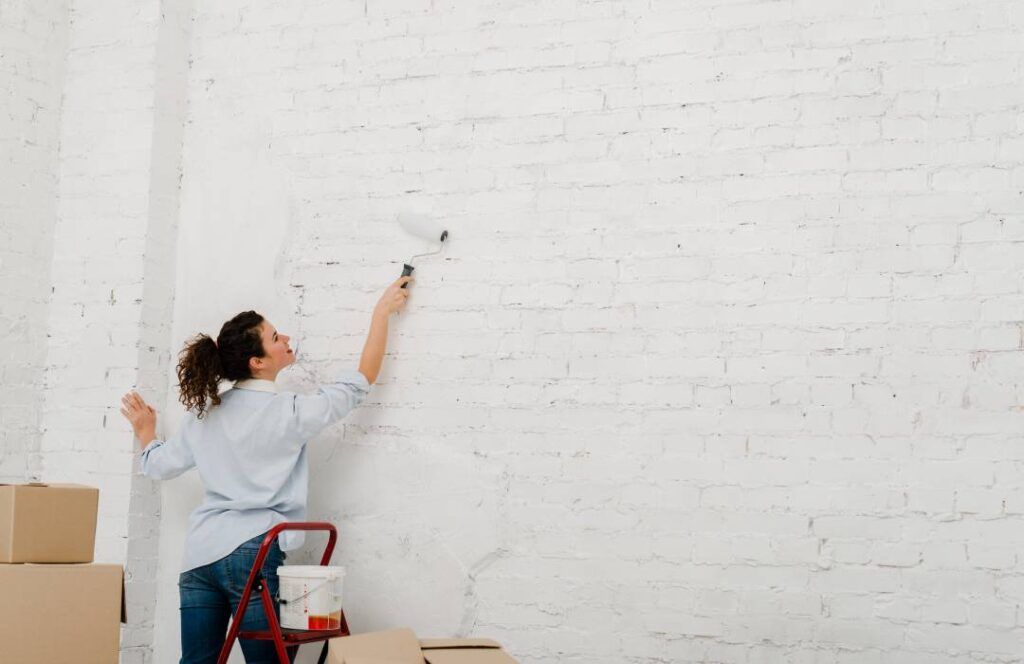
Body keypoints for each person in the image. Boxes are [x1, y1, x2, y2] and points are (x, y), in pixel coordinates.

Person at [120, 276, 411, 664]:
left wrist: (147, 434)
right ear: (258, 362)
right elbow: (362, 380)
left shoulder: (205, 414)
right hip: (252, 553)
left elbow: (158, 466)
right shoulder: (290, 413)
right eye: (275, 337)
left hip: (199, 556)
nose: (285, 338)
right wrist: (381, 313)